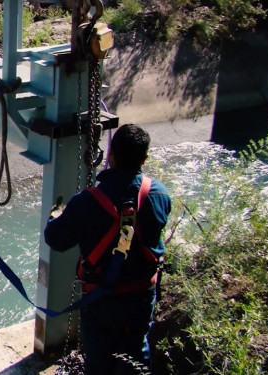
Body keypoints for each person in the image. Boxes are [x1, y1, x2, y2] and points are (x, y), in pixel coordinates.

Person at [44, 124, 172, 375]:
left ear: (110, 155)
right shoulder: (159, 194)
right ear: (144, 159)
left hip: (101, 300)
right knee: (136, 353)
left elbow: (55, 239)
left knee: (99, 362)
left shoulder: (87, 201)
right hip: (141, 297)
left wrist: (55, 215)